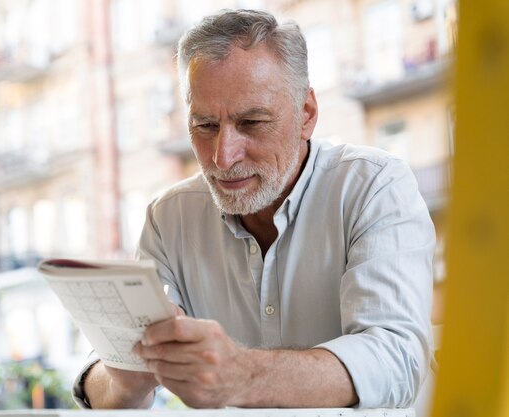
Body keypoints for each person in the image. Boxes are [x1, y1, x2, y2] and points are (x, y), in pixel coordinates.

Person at [73, 8, 435, 410]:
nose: (223, 157)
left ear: (306, 115)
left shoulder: (375, 186)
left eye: (252, 122)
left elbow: (396, 361)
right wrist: (125, 379)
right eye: (205, 125)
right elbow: (102, 384)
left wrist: (241, 375)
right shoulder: (168, 218)